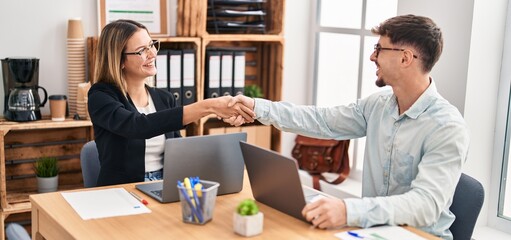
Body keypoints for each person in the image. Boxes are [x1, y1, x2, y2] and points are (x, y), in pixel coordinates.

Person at [226, 14, 469, 239]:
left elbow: (425, 205)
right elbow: (322, 121)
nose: (373, 56)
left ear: (405, 58)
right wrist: (257, 108)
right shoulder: (378, 105)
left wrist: (348, 210)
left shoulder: (446, 127)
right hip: (372, 231)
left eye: (379, 49)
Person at [88, 19, 254, 186]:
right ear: (120, 60)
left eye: (151, 45)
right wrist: (209, 106)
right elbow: (137, 126)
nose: (152, 54)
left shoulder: (164, 98)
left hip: (165, 184)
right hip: (122, 190)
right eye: (141, 51)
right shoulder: (101, 96)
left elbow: (177, 151)